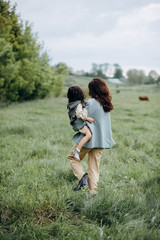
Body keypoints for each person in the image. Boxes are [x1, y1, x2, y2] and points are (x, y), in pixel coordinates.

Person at [67, 77, 115, 194]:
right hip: (101, 141)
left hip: (88, 139)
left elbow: (80, 118)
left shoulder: (89, 103)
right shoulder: (107, 104)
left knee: (73, 158)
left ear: (91, 90)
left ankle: (82, 178)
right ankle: (93, 192)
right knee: (94, 167)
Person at [67, 85, 94, 161]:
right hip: (79, 123)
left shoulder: (73, 103)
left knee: (88, 135)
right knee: (89, 135)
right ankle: (77, 150)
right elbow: (79, 115)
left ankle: (77, 149)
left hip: (76, 123)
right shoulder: (78, 104)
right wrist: (88, 119)